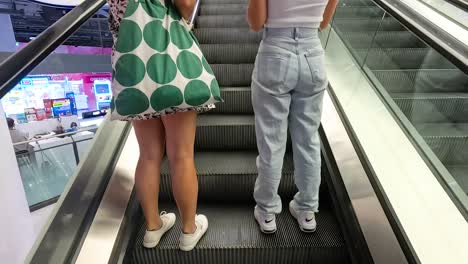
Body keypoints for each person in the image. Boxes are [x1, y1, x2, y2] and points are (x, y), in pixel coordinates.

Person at [107, 0, 209, 251]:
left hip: (133, 70)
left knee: (149, 155)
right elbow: (185, 5)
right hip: (171, 68)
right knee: (181, 155)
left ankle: (152, 228)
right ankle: (188, 230)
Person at [247, 0, 339, 234]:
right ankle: (307, 210)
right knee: (308, 139)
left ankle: (267, 211)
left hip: (275, 51)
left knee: (271, 141)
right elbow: (323, 22)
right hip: (313, 55)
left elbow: (256, 23)